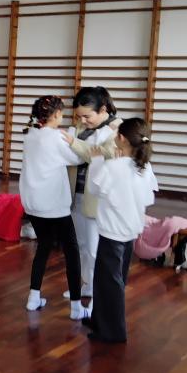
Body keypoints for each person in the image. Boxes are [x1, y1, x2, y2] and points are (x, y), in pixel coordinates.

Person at [85, 119, 158, 344]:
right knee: (113, 281)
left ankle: (113, 331)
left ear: (122, 139)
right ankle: (100, 321)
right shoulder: (144, 166)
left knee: (109, 284)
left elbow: (94, 188)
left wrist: (97, 160)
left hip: (112, 233)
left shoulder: (113, 167)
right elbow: (147, 198)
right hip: (129, 232)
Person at [19, 96, 88, 319]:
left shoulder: (30, 134)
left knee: (44, 246)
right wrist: (73, 138)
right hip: (54, 206)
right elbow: (77, 159)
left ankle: (33, 297)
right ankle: (76, 307)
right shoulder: (56, 137)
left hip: (32, 203)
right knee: (72, 252)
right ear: (57, 114)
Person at [63, 87, 121, 297]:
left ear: (103, 109)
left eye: (87, 116)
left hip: (98, 199)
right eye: (79, 116)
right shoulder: (81, 126)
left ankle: (99, 290)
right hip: (76, 194)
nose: (82, 120)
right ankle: (86, 285)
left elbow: (103, 155)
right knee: (79, 245)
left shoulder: (117, 129)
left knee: (95, 249)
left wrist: (73, 143)